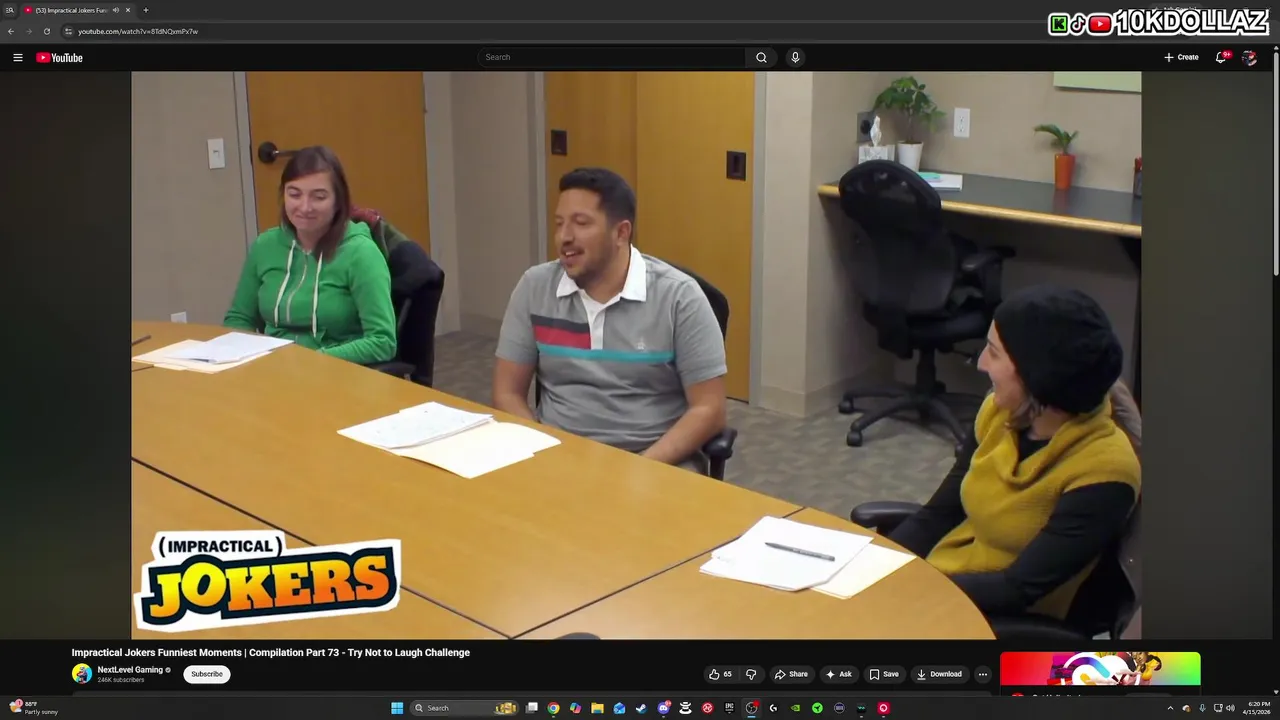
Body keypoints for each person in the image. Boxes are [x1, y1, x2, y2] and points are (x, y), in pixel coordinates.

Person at [887, 285, 1141, 622]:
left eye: (993, 353)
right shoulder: (999, 414)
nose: (980, 363)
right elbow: (940, 513)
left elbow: (1017, 589)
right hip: (950, 581)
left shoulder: (1105, 470)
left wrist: (914, 590)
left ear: (1036, 375)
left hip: (1005, 619)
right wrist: (877, 566)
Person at [492, 167, 728, 474]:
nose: (564, 237)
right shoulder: (535, 287)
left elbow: (710, 408)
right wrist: (541, 450)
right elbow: (507, 392)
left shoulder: (679, 298)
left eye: (581, 223)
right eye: (560, 223)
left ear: (621, 233)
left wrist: (636, 470)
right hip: (559, 459)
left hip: (654, 462)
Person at [224, 146, 397, 364]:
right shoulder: (265, 246)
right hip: (273, 367)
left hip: (334, 369)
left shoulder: (361, 253)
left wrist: (310, 361)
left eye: (319, 197)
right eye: (294, 194)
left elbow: (383, 341)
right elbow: (240, 318)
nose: (305, 207)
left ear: (338, 201)